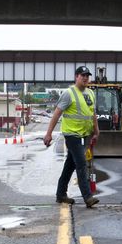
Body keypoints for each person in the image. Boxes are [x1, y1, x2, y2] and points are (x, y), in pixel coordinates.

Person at [42, 65, 100, 209]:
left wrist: (96, 130)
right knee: (81, 164)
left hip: (84, 134)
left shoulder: (91, 94)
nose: (85, 78)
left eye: (87, 75)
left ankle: (61, 194)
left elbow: (92, 114)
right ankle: (88, 197)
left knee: (70, 165)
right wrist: (48, 133)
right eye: (82, 75)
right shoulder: (69, 93)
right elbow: (57, 113)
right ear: (76, 77)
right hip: (71, 134)